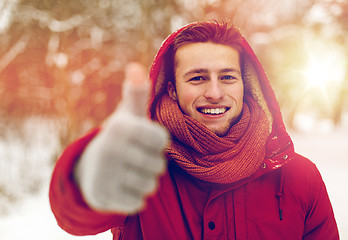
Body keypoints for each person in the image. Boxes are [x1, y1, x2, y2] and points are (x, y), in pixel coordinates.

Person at [49, 21, 339, 239]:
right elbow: (73, 216)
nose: (214, 92)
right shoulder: (140, 168)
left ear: (244, 85)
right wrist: (86, 173)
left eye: (227, 77)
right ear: (172, 91)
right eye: (198, 78)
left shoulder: (299, 178)